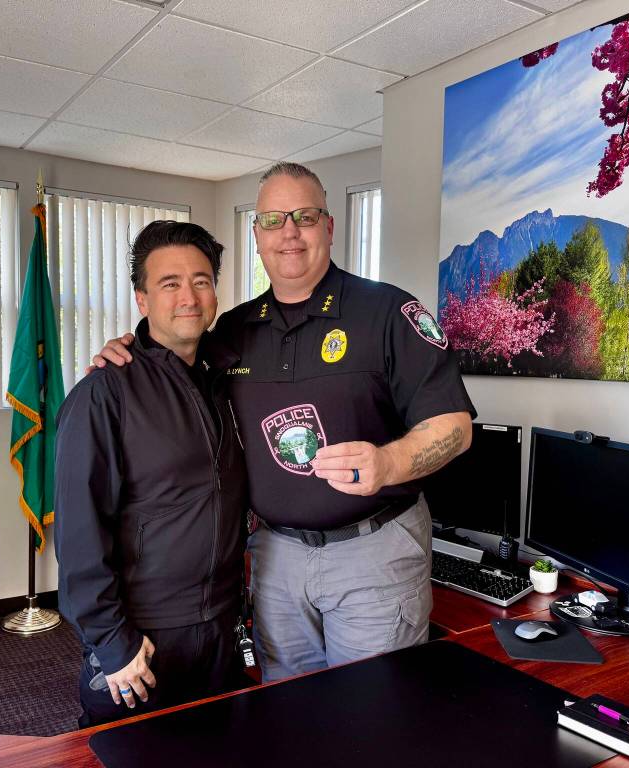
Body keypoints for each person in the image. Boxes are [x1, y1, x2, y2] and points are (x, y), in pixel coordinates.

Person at [93, 162, 476, 681]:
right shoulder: (232, 331)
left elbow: (455, 426)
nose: (289, 232)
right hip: (274, 559)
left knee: (371, 712)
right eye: (273, 220)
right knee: (285, 708)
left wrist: (390, 462)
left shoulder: (388, 312)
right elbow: (171, 351)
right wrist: (128, 350)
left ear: (329, 226)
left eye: (305, 216)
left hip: (373, 551)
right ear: (257, 236)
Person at [54, 221, 248, 728]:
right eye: (170, 283)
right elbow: (79, 534)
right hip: (143, 640)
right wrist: (111, 642)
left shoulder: (229, 380)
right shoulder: (103, 394)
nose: (189, 297)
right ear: (142, 299)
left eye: (201, 281)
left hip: (221, 630)